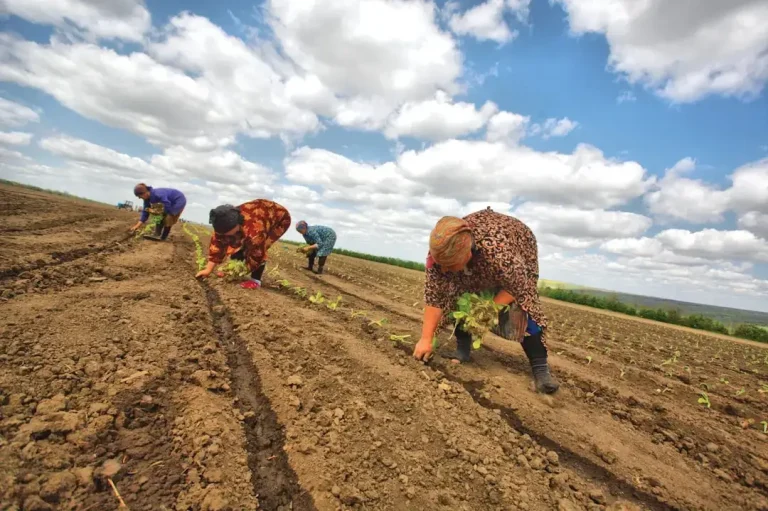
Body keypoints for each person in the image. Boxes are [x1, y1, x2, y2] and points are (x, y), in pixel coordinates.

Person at [412, 207, 559, 394]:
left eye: (450, 266)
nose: (445, 270)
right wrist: (426, 338)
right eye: (442, 266)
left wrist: (489, 309)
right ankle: (463, 349)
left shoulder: (499, 253)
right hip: (485, 253)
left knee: (522, 306)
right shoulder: (440, 250)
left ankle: (541, 370)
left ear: (468, 255)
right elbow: (435, 295)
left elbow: (517, 286)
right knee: (457, 294)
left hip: (519, 245)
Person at [195, 199, 291, 289]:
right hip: (256, 213)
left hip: (279, 219)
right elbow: (217, 243)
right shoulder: (223, 221)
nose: (224, 235)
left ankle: (256, 281)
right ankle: (234, 266)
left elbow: (257, 255)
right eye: (222, 233)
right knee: (237, 242)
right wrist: (208, 269)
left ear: (238, 224)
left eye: (227, 232)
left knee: (257, 247)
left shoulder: (255, 232)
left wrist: (238, 272)